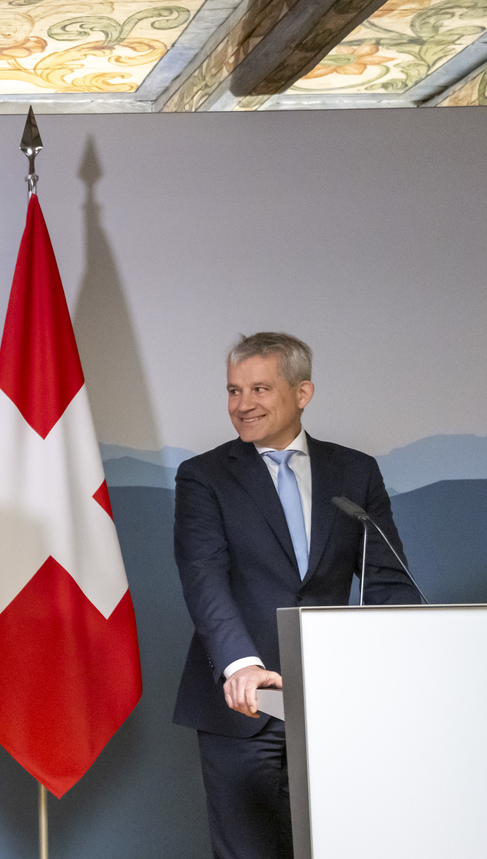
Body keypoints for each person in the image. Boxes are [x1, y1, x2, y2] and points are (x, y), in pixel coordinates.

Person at [172, 332, 420, 858]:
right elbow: (204, 577)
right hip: (243, 706)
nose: (243, 405)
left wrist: (398, 662)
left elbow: (388, 583)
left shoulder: (355, 471)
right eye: (234, 391)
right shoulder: (204, 477)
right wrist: (241, 665)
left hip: (336, 702)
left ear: (303, 392)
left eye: (259, 388)